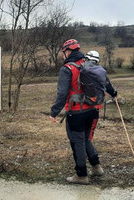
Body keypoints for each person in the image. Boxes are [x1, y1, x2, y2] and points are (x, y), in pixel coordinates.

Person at [50, 39, 117, 184]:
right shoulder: (89, 64)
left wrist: (54, 112)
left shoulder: (67, 68)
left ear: (68, 51)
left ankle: (81, 175)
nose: (63, 55)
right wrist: (113, 93)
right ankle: (96, 167)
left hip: (76, 112)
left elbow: (62, 94)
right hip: (93, 110)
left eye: (64, 52)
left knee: (77, 142)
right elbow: (106, 82)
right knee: (86, 139)